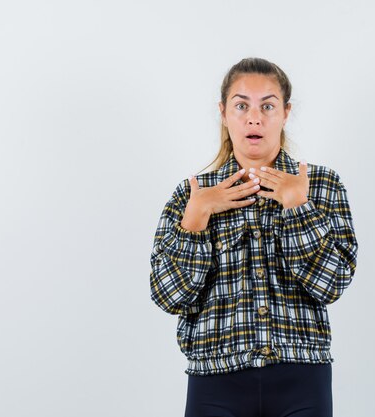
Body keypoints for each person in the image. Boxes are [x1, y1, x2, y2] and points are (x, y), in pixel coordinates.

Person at [149, 57, 358, 417]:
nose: (254, 118)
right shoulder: (190, 196)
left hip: (302, 376)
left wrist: (298, 206)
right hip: (214, 379)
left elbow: (332, 285)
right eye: (242, 105)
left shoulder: (321, 185)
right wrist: (198, 217)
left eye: (268, 106)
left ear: (286, 112)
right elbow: (170, 297)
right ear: (223, 111)